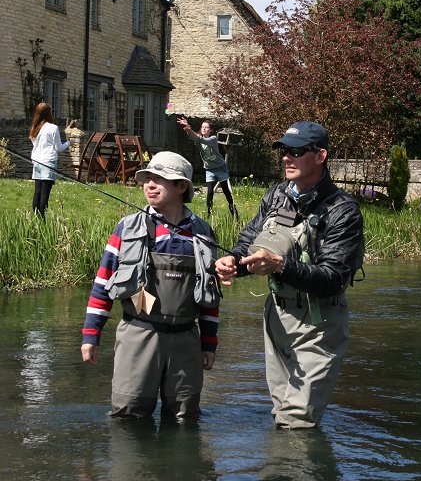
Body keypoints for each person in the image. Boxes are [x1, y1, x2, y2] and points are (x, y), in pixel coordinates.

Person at [215, 121, 364, 429]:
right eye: (283, 151)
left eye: (296, 152)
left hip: (319, 323)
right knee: (280, 414)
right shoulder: (277, 194)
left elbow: (332, 279)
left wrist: (281, 265)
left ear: (320, 156)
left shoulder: (342, 210)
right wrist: (232, 261)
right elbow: (248, 241)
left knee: (297, 422)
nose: (286, 158)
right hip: (277, 316)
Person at [81, 151, 219, 422]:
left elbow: (210, 298)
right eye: (147, 179)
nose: (149, 185)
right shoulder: (126, 228)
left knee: (184, 419)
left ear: (182, 187)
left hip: (186, 341)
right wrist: (90, 335)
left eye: (159, 179)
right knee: (128, 417)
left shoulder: (203, 234)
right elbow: (101, 285)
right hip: (138, 333)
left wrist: (209, 344)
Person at [177, 116, 238, 218]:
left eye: (206, 127)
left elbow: (200, 139)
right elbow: (194, 137)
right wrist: (188, 129)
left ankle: (233, 209)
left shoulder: (213, 139)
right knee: (210, 192)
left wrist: (189, 128)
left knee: (226, 190)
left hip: (220, 168)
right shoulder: (199, 140)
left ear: (211, 130)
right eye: (202, 127)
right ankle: (209, 213)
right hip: (209, 170)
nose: (204, 129)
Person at [29, 102, 72, 216]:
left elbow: (35, 145)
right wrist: (68, 143)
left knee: (37, 192)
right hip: (48, 162)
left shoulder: (35, 128)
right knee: (44, 195)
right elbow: (58, 148)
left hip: (37, 162)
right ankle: (42, 221)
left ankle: (35, 219)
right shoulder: (53, 128)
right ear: (49, 113)